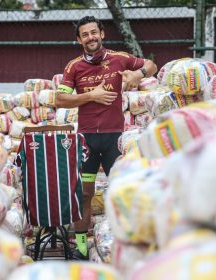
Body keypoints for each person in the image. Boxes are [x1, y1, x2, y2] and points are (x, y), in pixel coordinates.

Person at [55, 16, 157, 260]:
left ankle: (124, 243)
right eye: (85, 34)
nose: (90, 37)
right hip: (87, 139)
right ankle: (81, 247)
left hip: (116, 138)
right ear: (79, 40)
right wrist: (92, 96)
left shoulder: (120, 58)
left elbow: (152, 64)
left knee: (121, 190)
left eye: (94, 32)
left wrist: (138, 74)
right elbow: (60, 100)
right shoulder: (74, 67)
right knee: (85, 193)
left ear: (102, 34)